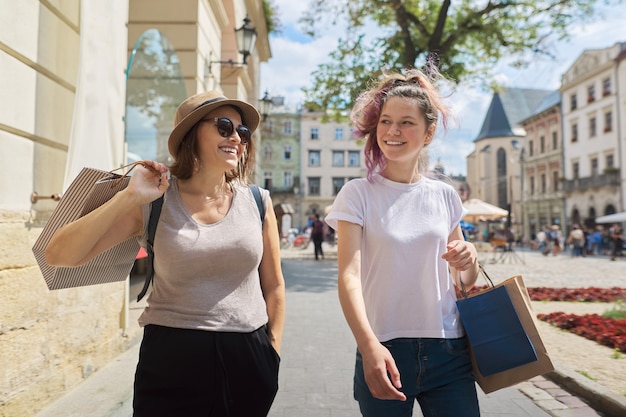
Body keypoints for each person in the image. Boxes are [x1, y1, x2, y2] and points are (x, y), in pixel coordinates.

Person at [45, 91, 285, 417]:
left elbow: (274, 287)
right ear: (191, 134)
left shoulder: (259, 202)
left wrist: (272, 353)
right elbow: (59, 254)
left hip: (249, 356)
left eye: (243, 132)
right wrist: (128, 196)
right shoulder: (155, 201)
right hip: (172, 358)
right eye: (225, 126)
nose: (236, 138)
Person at [325, 65, 481, 417]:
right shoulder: (357, 194)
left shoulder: (444, 195)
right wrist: (368, 347)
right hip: (383, 348)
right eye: (385, 121)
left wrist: (468, 260)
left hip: (449, 350)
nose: (392, 131)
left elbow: (462, 282)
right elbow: (349, 277)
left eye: (406, 122)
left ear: (428, 133)